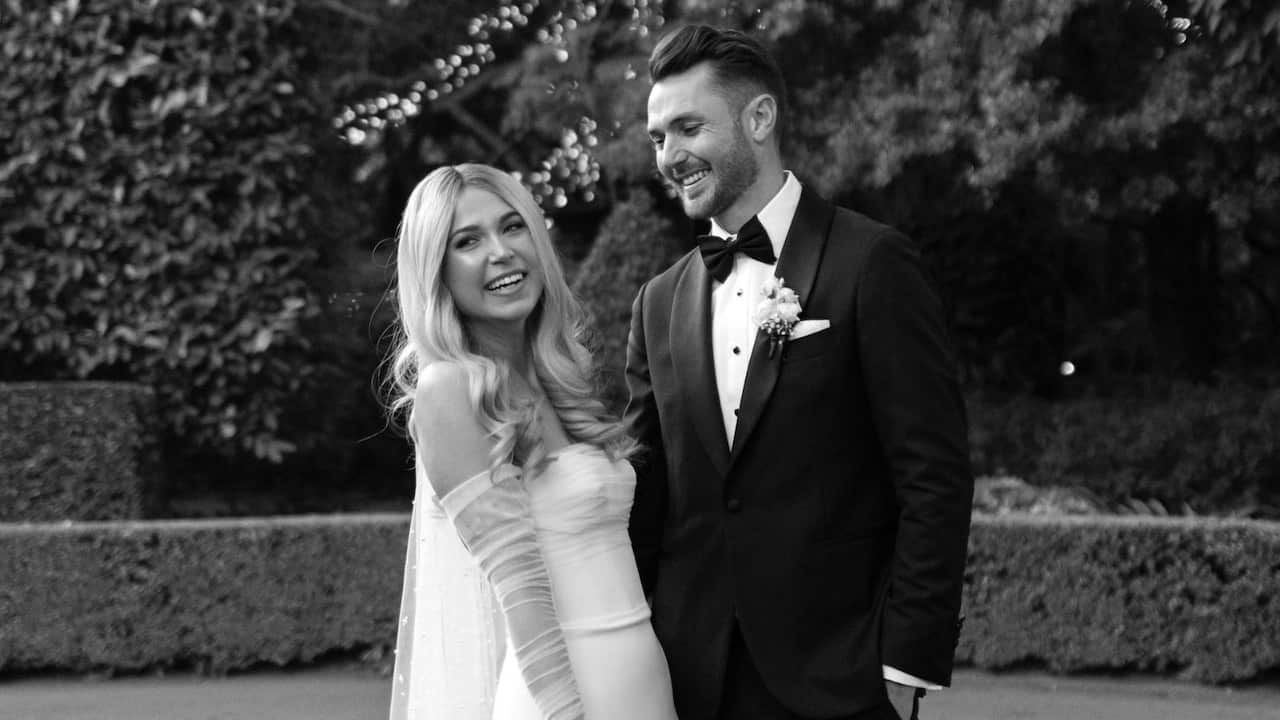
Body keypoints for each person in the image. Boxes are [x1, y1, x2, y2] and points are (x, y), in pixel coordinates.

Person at [626, 25, 974, 720]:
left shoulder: (873, 263)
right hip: (689, 675)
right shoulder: (656, 302)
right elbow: (646, 497)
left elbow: (934, 474)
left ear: (759, 118)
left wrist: (906, 657)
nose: (670, 156)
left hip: (840, 670)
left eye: (688, 128)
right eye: (658, 138)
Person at [386, 163, 678, 720]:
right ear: (436, 272)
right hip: (562, 698)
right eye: (467, 241)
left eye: (513, 227)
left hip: (643, 682)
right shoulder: (450, 388)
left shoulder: (556, 378)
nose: (500, 252)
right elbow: (520, 596)